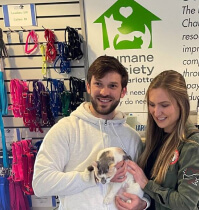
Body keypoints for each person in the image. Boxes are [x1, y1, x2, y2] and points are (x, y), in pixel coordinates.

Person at [32, 55, 148, 209]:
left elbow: (144, 185)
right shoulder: (65, 129)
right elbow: (41, 184)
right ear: (88, 87)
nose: (104, 92)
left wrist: (144, 204)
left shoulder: (132, 137)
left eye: (112, 86)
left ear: (123, 91)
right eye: (98, 84)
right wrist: (92, 177)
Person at [116, 70, 199, 210]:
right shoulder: (156, 138)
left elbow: (186, 204)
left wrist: (147, 184)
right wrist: (143, 204)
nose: (156, 112)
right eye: (152, 104)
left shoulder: (193, 146)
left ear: (182, 104)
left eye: (164, 105)